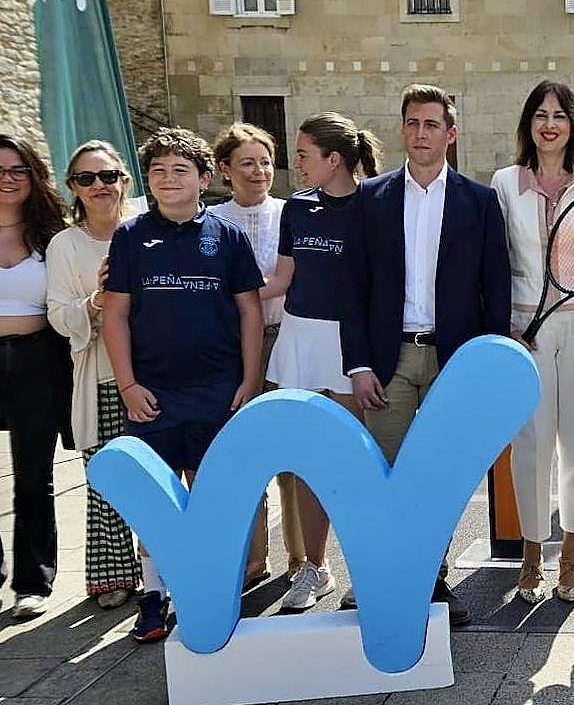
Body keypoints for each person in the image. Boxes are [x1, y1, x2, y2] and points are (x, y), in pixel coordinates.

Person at [339, 84, 510, 626]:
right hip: (388, 362)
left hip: (451, 362)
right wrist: (359, 364)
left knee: (436, 474)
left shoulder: (479, 203)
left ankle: (430, 581)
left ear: (450, 134)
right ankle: (382, 577)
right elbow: (354, 287)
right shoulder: (372, 199)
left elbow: (495, 288)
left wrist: (482, 369)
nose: (420, 133)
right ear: (402, 130)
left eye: (431, 124)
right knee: (386, 472)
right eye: (412, 123)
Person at [102, 127, 264, 642]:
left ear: (204, 178)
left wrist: (250, 378)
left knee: (210, 494)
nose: (168, 179)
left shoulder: (227, 236)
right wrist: (127, 385)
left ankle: (210, 589)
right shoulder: (130, 237)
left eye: (180, 170)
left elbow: (249, 311)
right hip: (152, 394)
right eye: (158, 171)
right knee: (155, 497)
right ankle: (154, 594)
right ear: (147, 180)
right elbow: (115, 314)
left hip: (218, 391)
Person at [490, 81, 574, 604]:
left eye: (560, 115)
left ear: (573, 125)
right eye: (541, 115)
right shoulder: (503, 183)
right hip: (528, 330)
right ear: (529, 124)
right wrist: (505, 322)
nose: (550, 124)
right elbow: (492, 262)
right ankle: (529, 553)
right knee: (531, 444)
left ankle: (571, 553)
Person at [258, 113, 382, 611]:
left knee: (354, 461)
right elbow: (281, 278)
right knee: (308, 461)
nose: (297, 161)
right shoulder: (297, 208)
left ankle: (365, 567)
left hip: (352, 347)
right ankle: (314, 567)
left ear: (334, 159)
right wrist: (221, 297)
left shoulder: (376, 206)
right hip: (300, 343)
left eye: (304, 152)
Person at [0, 135, 72, 622]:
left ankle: (33, 582)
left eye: (18, 171)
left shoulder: (52, 234)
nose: (7, 179)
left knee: (34, 477)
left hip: (38, 362)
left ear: (33, 178)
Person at [209, 122, 306, 588]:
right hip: (233, 346)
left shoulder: (291, 212)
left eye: (265, 161)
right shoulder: (212, 222)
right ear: (225, 169)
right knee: (244, 454)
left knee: (292, 455)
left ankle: (302, 558)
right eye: (246, 163)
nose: (259, 171)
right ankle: (251, 561)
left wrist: (239, 294)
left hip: (286, 338)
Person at [46, 141, 142, 609]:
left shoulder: (145, 227)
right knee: (107, 479)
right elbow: (60, 317)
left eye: (108, 176)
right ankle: (114, 576)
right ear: (73, 188)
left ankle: (161, 568)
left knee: (162, 475)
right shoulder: (65, 245)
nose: (99, 186)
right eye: (87, 178)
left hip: (157, 371)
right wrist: (99, 300)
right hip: (101, 376)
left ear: (124, 180)